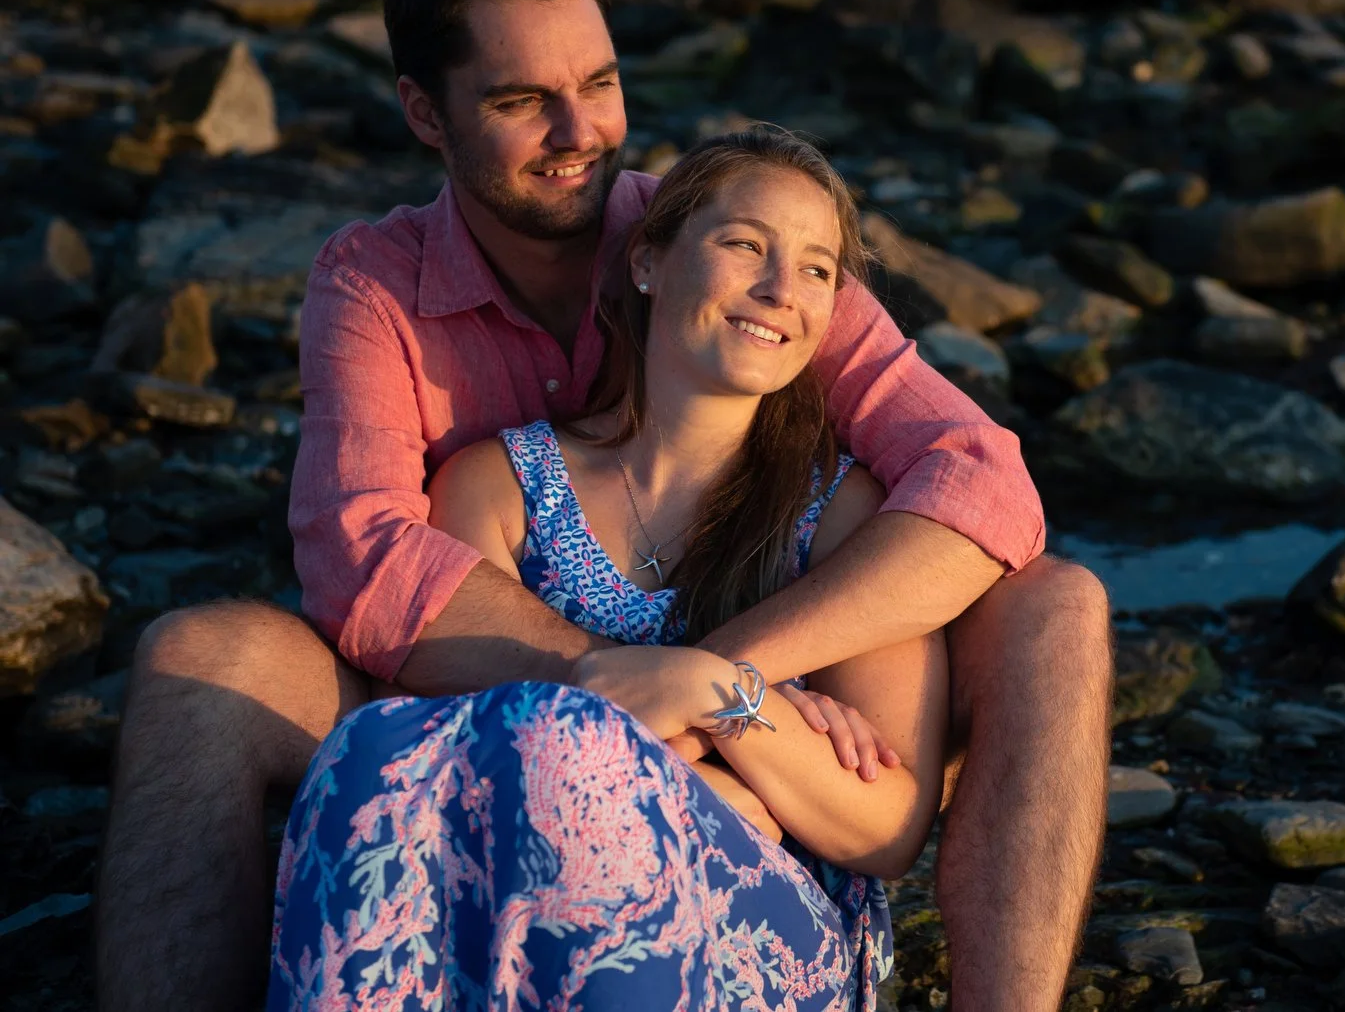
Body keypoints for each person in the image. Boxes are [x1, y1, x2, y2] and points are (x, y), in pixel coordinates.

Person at [97, 0, 1111, 1012]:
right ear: (424, 112)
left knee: (1056, 607)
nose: (580, 130)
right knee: (202, 659)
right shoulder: (374, 285)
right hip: (487, 672)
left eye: (600, 82)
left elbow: (979, 474)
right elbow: (360, 556)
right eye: (521, 99)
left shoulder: (721, 239)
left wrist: (713, 681)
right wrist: (608, 702)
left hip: (770, 712)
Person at [271, 132, 944, 1008]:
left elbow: (887, 826)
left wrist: (717, 696)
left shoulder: (844, 512)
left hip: (762, 920)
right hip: (516, 880)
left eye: (819, 270)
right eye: (746, 245)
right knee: (373, 752)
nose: (783, 289)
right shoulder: (499, 485)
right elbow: (459, 756)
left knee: (559, 744)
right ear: (648, 263)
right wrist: (698, 776)